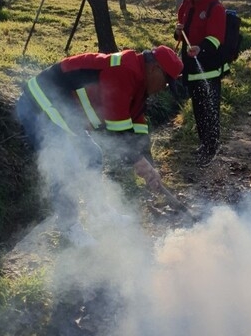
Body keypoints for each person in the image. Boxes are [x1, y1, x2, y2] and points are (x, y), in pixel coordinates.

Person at [15, 45, 183, 246]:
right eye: (166, 82)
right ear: (154, 68)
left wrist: (148, 165)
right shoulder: (124, 70)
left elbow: (136, 124)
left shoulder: (139, 81)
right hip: (40, 102)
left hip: (64, 111)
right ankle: (69, 227)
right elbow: (119, 130)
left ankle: (99, 213)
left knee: (92, 154)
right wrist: (139, 162)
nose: (163, 88)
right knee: (65, 163)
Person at [174, 0, 227, 168]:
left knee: (210, 108)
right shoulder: (186, 6)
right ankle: (204, 144)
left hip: (209, 68)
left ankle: (211, 147)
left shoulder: (215, 8)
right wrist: (178, 32)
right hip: (191, 67)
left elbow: (216, 39)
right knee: (198, 108)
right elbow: (181, 33)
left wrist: (200, 49)